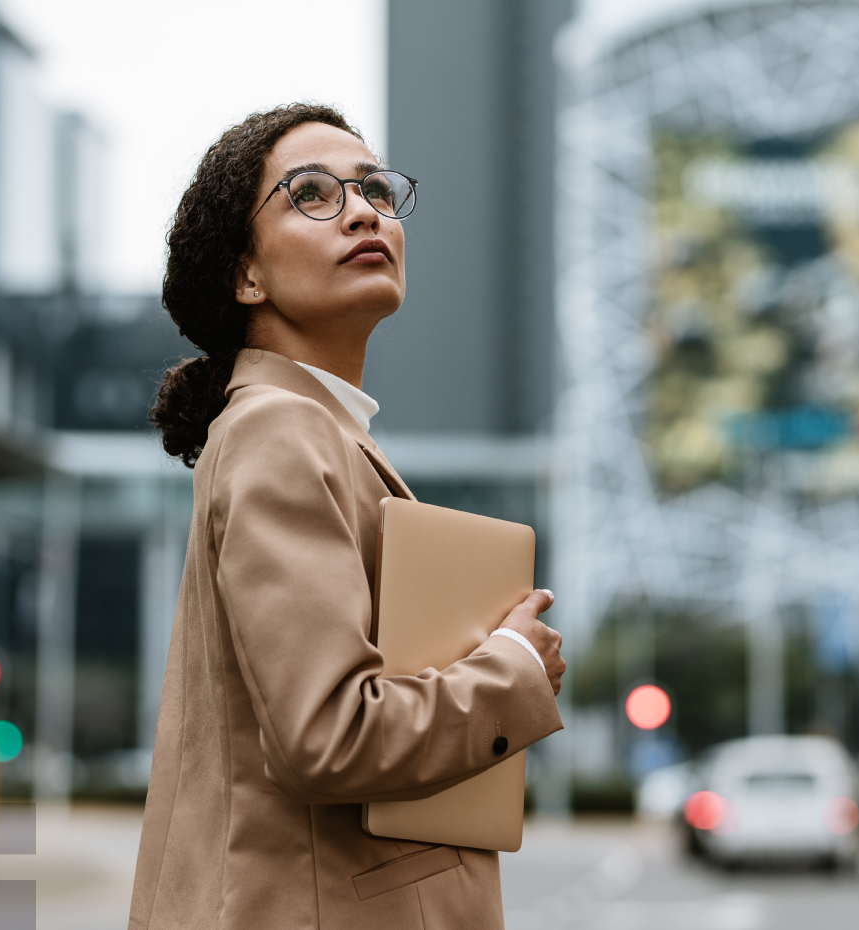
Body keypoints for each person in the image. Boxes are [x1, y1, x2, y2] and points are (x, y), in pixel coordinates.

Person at [129, 104, 567, 930]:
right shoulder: (278, 431)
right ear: (246, 277)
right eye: (311, 195)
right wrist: (512, 669)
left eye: (374, 189)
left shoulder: (311, 430)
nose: (364, 209)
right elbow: (328, 733)